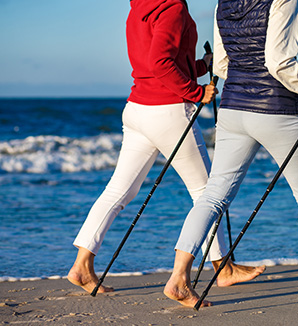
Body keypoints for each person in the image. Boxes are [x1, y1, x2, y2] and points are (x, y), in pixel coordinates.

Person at [163, 0, 298, 308]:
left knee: (212, 196)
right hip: (277, 109)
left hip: (233, 108)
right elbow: (279, 63)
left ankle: (179, 277)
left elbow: (221, 65)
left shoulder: (224, 1)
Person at [67, 0, 264, 294]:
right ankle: (223, 269)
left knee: (119, 190)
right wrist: (197, 92)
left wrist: (201, 66)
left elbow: (158, 62)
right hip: (168, 111)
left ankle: (82, 265)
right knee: (207, 193)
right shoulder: (171, 7)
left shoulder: (140, 8)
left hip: (137, 108)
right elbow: (160, 63)